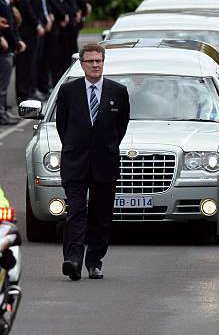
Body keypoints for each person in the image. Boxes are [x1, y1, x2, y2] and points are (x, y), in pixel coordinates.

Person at [56, 44, 130, 281]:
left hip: (104, 163)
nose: (95, 65)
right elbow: (62, 125)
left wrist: (105, 147)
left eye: (99, 61)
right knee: (75, 211)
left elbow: (121, 127)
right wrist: (75, 146)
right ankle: (73, 260)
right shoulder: (68, 91)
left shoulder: (118, 92)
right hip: (75, 162)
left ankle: (94, 261)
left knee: (101, 215)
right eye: (91, 61)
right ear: (82, 64)